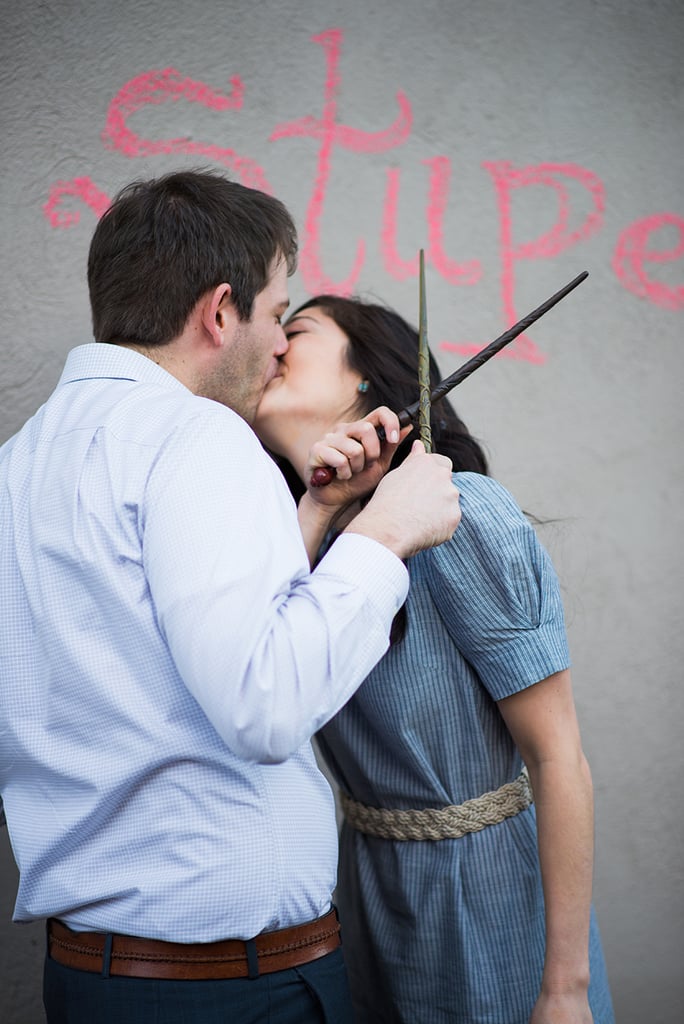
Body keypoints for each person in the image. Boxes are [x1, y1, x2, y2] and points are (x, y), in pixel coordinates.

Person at [0, 170, 461, 1024]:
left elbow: (160, 638)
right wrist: (382, 534)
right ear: (220, 312)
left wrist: (318, 511)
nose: (281, 343)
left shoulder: (20, 463)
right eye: (276, 312)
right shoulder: (196, 435)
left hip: (92, 978)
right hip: (229, 990)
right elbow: (263, 703)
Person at [254, 295, 616, 1024]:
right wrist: (318, 509)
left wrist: (565, 989)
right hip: (368, 907)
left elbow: (559, 757)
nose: (270, 346)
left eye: (295, 331)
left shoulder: (459, 512)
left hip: (489, 904)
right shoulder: (289, 538)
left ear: (365, 378)